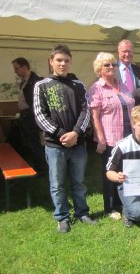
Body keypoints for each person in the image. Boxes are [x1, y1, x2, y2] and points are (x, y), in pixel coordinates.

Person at [34, 44, 96, 233]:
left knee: (79, 182)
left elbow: (86, 111)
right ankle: (62, 217)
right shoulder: (41, 85)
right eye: (59, 60)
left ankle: (82, 213)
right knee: (58, 184)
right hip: (55, 146)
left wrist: (76, 133)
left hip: (77, 144)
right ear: (51, 61)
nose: (63, 64)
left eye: (66, 61)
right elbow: (40, 115)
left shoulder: (78, 85)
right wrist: (62, 135)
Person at [88, 52, 135, 220]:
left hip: (128, 138)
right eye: (106, 65)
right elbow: (94, 116)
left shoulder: (123, 86)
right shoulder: (96, 88)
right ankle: (109, 207)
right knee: (109, 173)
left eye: (113, 65)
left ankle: (122, 202)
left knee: (125, 171)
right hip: (110, 139)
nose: (111, 68)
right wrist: (100, 138)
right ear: (99, 69)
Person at [11, 57, 46, 175]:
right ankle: (38, 165)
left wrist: (33, 117)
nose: (15, 71)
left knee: (36, 143)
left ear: (24, 67)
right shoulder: (25, 81)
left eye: (16, 68)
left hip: (31, 116)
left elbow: (36, 103)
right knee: (32, 143)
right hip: (26, 115)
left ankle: (40, 168)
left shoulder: (34, 81)